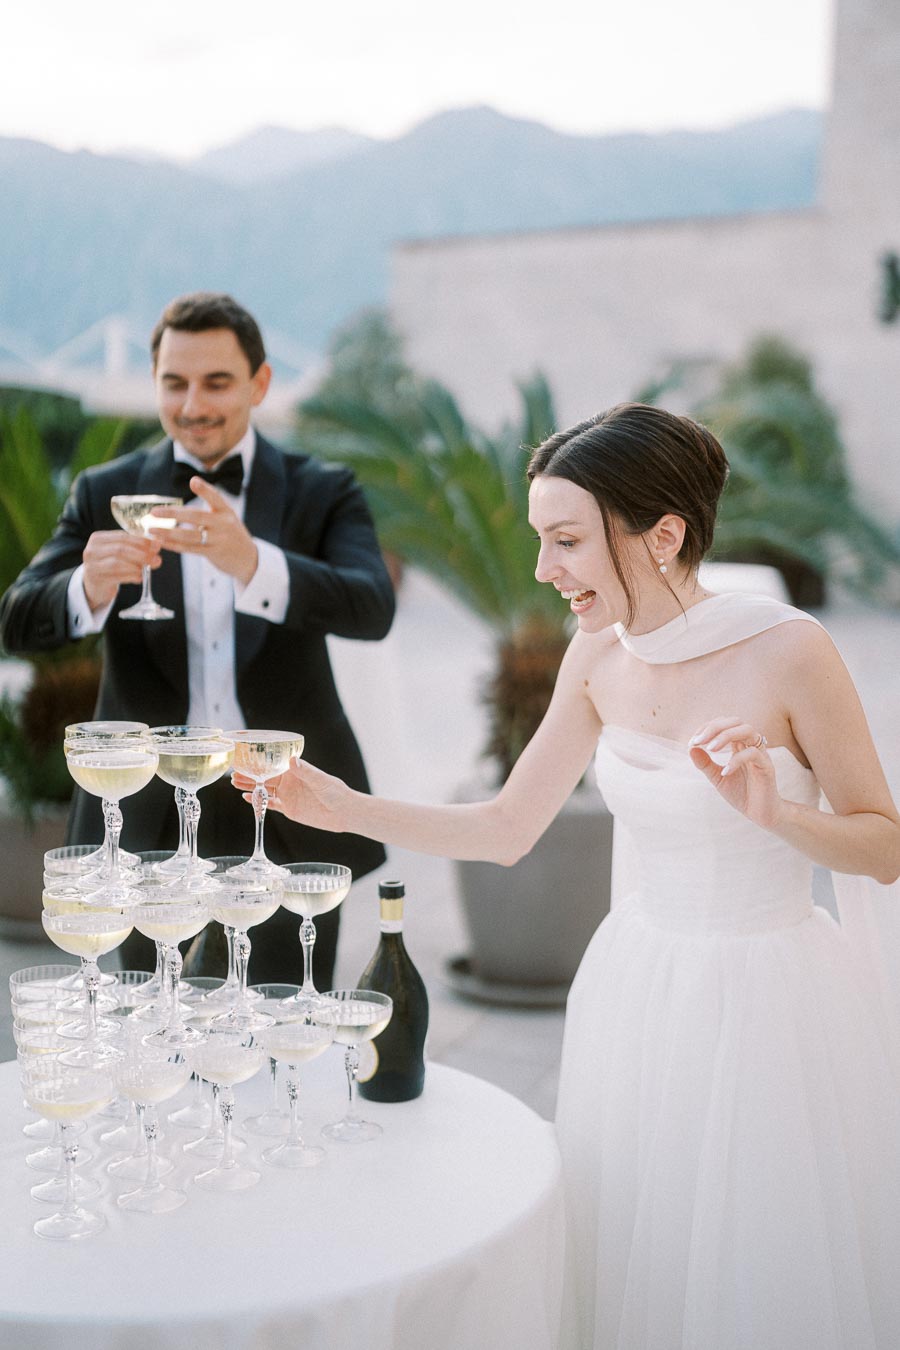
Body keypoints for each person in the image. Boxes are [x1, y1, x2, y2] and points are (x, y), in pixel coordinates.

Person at [234, 402, 900, 1350]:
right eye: (542, 541)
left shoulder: (791, 651)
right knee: (638, 1245)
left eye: (567, 541)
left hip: (771, 1002)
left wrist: (781, 816)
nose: (545, 571)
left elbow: (884, 843)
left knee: (756, 1264)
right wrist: (343, 808)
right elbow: (508, 826)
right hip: (634, 989)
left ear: (663, 535)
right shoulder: (596, 654)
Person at [0, 291, 395, 987]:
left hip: (285, 807)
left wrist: (255, 564)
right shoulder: (107, 490)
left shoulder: (322, 490)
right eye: (174, 383)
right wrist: (87, 588)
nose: (193, 405)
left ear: (259, 383)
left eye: (216, 382)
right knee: (152, 1026)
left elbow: (372, 609)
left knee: (280, 1015)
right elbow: (17, 619)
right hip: (145, 819)